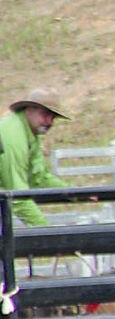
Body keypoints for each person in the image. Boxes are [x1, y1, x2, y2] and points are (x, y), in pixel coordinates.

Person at [0, 89, 70, 227]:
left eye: (53, 117)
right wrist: (45, 234)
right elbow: (16, 195)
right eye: (45, 114)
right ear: (29, 110)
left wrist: (74, 193)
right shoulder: (13, 136)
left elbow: (38, 178)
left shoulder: (30, 134)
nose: (49, 122)